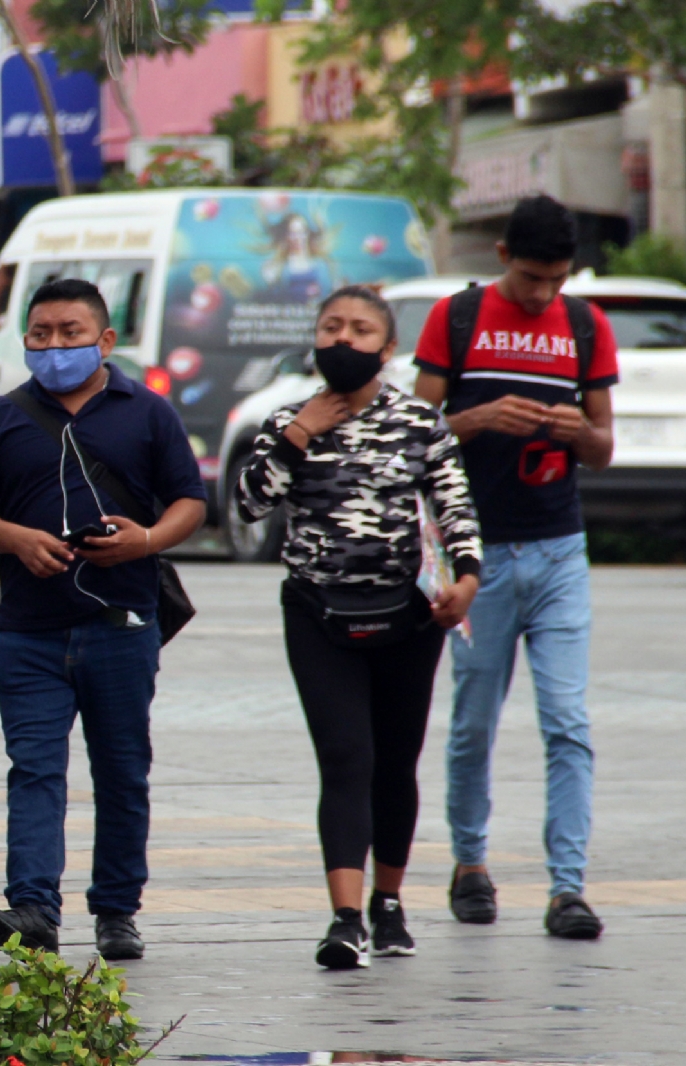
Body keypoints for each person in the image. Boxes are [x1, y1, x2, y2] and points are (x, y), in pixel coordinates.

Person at [0, 278, 207, 961]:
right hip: (28, 633)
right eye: (41, 334)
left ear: (105, 340)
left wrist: (143, 540)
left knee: (123, 771)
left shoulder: (148, 413)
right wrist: (17, 540)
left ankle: (117, 911)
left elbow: (189, 501)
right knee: (33, 769)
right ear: (25, 339)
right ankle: (34, 907)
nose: (55, 345)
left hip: (122, 626)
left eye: (71, 333)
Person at [236, 286, 483, 970]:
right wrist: (301, 432)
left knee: (395, 762)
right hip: (317, 615)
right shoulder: (286, 418)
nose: (344, 340)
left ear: (387, 346)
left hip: (408, 619)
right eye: (330, 327)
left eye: (360, 329)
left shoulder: (418, 422)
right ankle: (345, 918)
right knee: (347, 758)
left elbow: (454, 506)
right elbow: (250, 503)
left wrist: (466, 578)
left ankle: (390, 902)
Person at [412, 195, 618, 941]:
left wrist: (580, 430)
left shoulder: (586, 325)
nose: (543, 295)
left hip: (561, 549)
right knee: (473, 719)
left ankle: (569, 888)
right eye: (532, 278)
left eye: (557, 281)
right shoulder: (455, 318)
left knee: (568, 720)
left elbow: (603, 446)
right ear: (501, 257)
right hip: (479, 556)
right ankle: (470, 864)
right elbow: (414, 433)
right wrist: (474, 420)